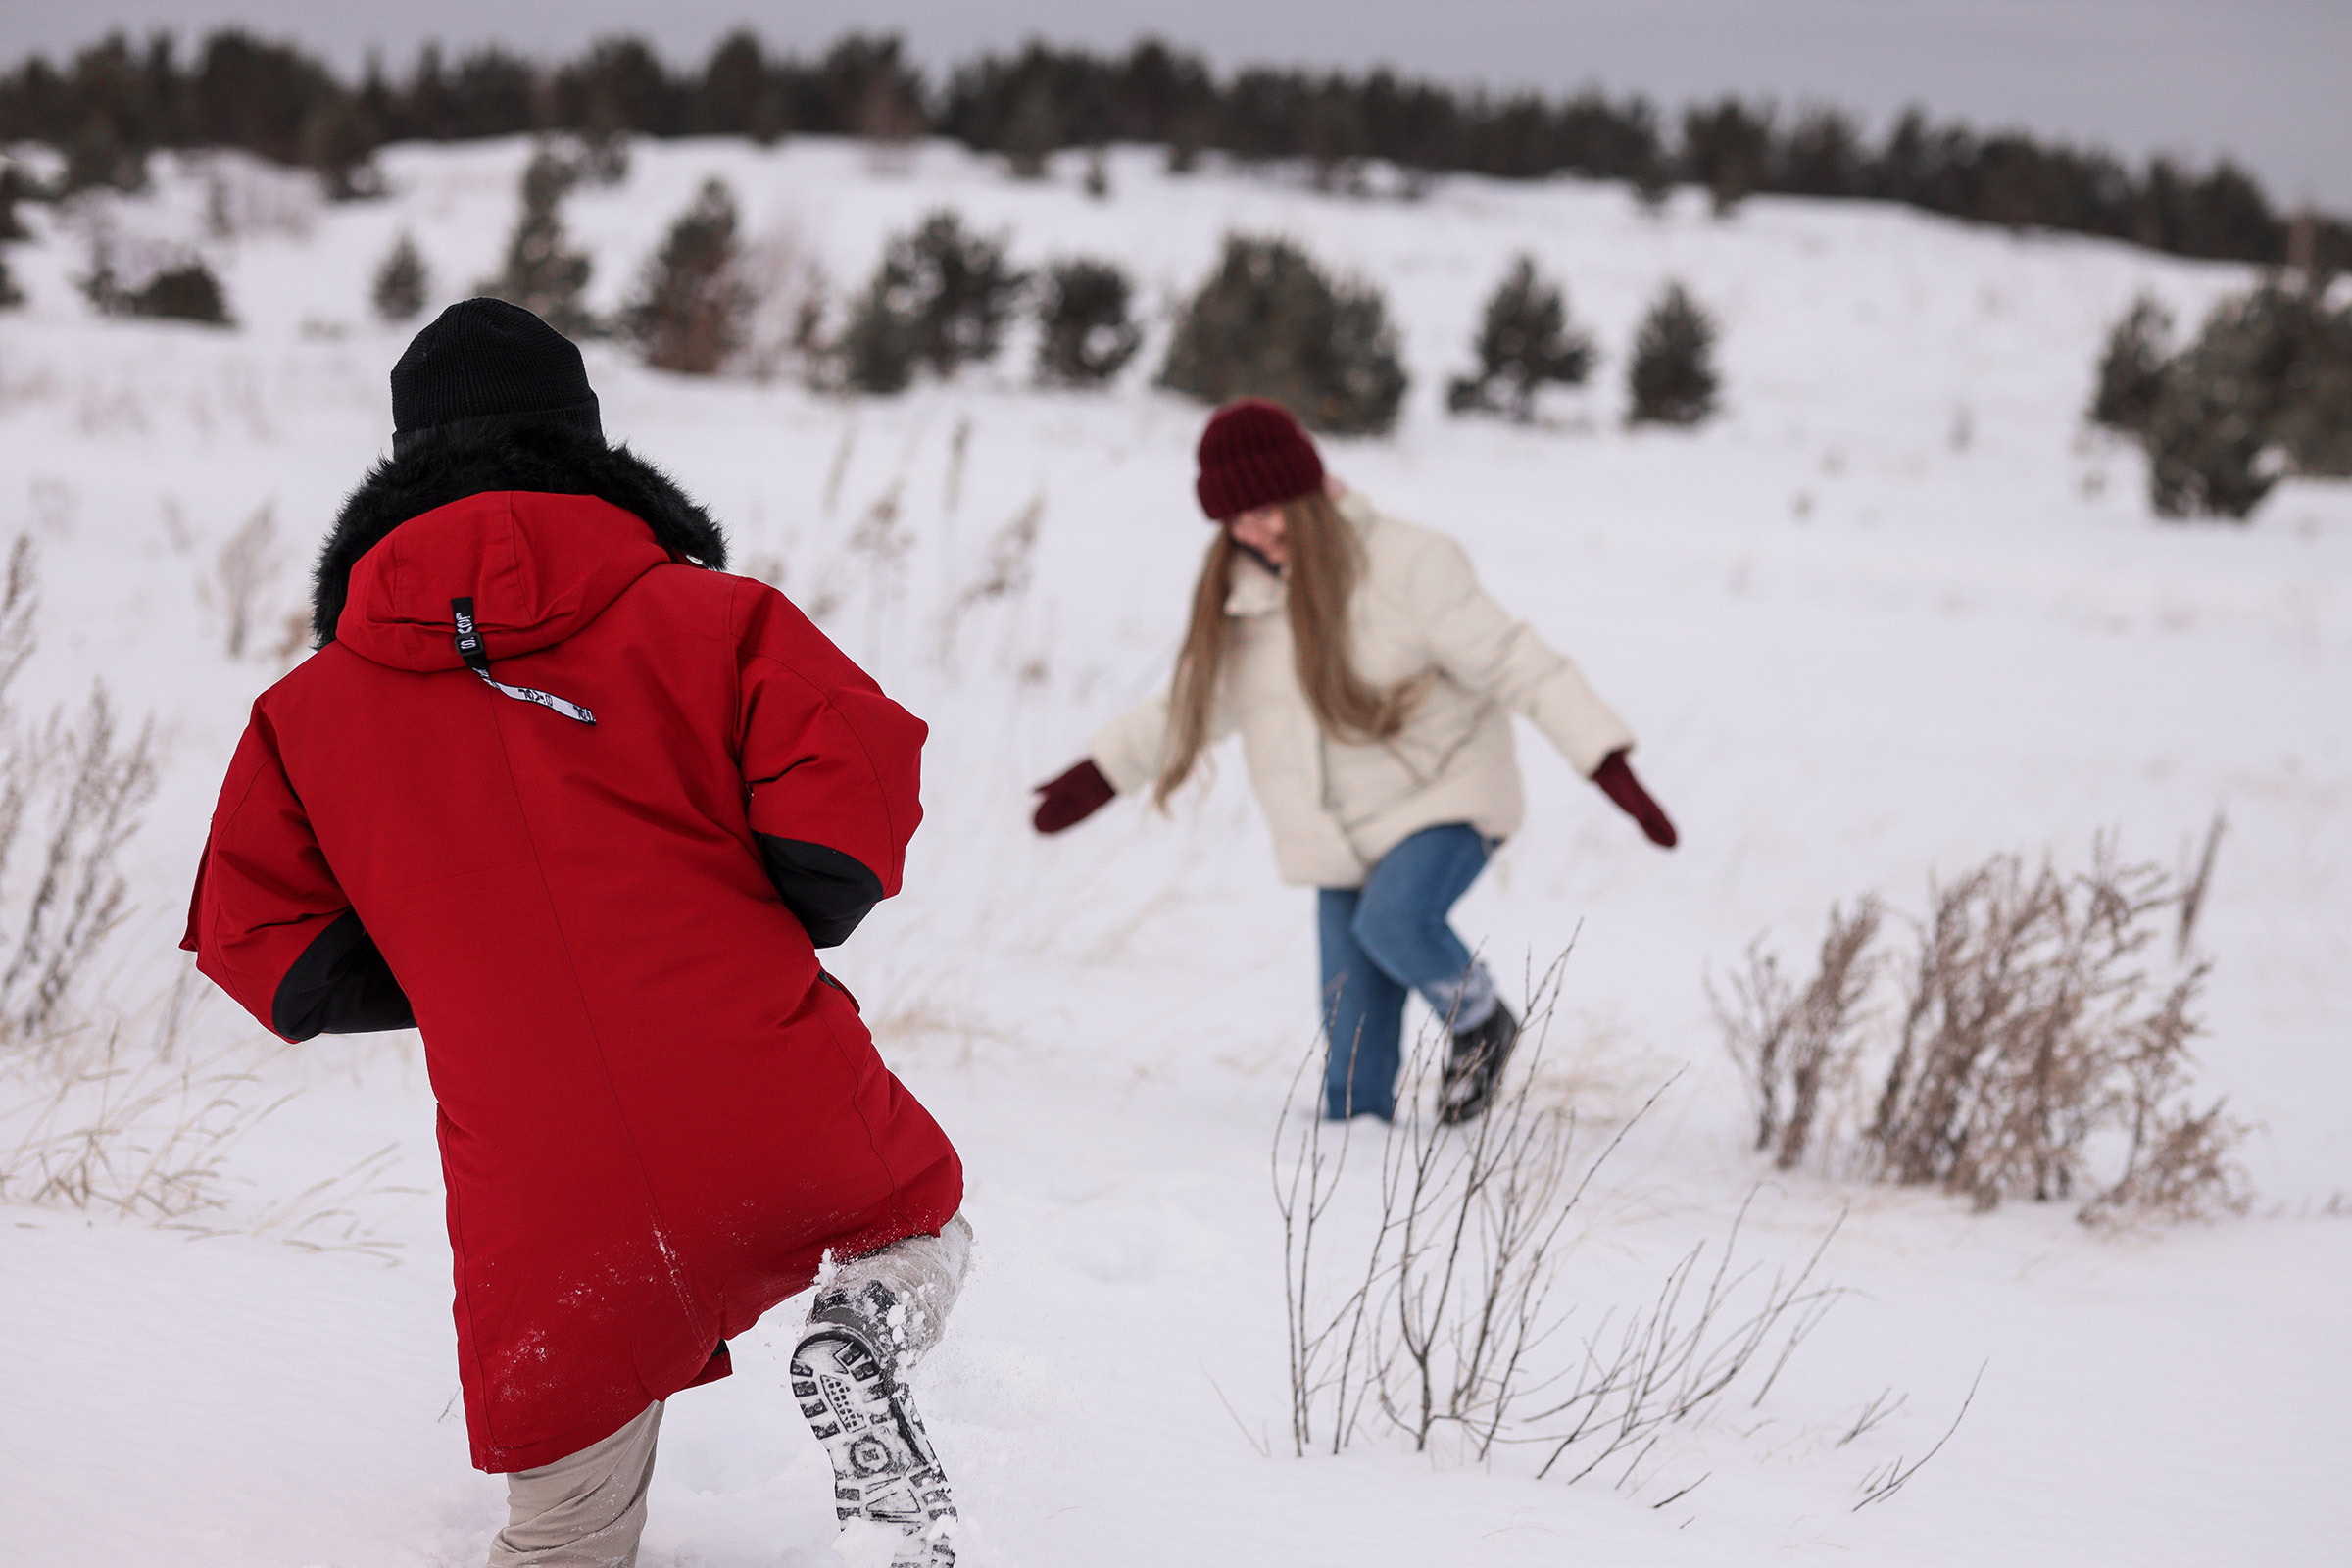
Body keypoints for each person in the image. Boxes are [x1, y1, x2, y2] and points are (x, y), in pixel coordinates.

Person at [181, 300, 969, 1568]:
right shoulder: (714, 618)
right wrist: (758, 910)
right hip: (762, 1073)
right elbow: (854, 805)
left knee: (561, 1537)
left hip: (534, 1176)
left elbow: (262, 944)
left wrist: (459, 965)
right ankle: (866, 1328)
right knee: (914, 1213)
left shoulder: (306, 710)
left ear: (400, 467)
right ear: (583, 441)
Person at [1032, 398, 1677, 1123]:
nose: (1259, 533)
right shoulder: (1242, 604)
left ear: (1310, 493)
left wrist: (1606, 761)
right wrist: (1099, 774)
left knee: (1395, 919)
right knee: (1349, 1056)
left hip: (1446, 795)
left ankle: (1479, 1021)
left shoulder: (1409, 563)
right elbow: (1189, 708)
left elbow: (1515, 662)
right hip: (1338, 835)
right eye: (1239, 522)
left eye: (1271, 511)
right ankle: (1358, 1159)